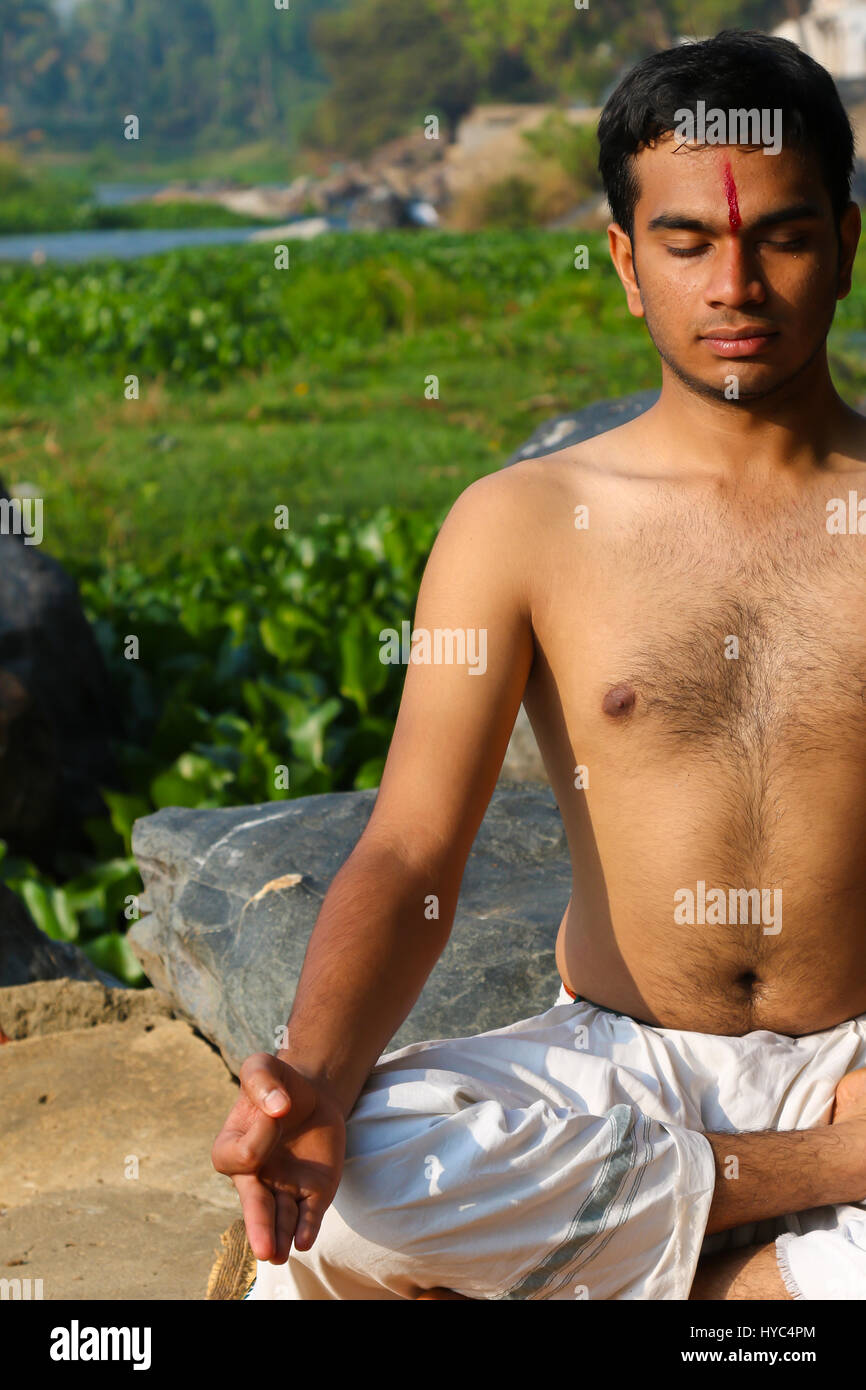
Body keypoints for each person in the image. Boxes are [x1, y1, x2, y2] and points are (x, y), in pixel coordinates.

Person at [212, 29, 866, 1300]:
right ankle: (783, 1220)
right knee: (368, 1184)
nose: (732, 284)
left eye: (777, 235)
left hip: (857, 1050)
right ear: (624, 262)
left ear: (845, 241)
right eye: (685, 243)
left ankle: (672, 1262)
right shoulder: (517, 521)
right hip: (616, 1063)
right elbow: (407, 854)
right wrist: (313, 1078)